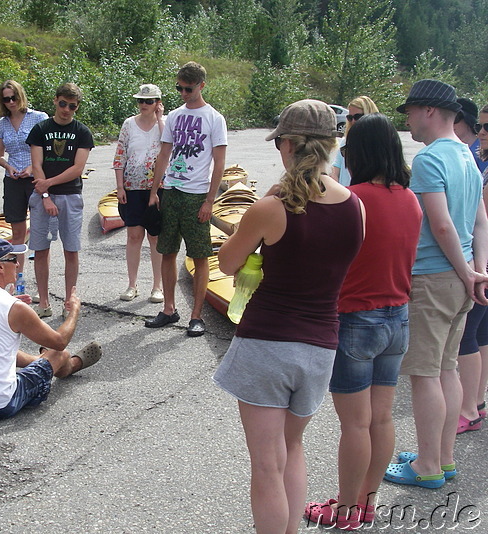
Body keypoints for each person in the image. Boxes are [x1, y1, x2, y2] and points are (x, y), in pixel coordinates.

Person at [212, 99, 364, 534]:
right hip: (321, 346)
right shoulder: (355, 206)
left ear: (291, 144)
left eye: (279, 141)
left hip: (267, 342)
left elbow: (225, 263)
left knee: (265, 465)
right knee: (292, 448)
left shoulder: (271, 207)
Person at [304, 114, 422, 530]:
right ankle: (367, 504)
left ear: (360, 153)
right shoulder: (410, 199)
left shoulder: (353, 200)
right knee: (382, 418)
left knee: (354, 423)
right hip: (398, 318)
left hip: (356, 318)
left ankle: (345, 510)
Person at [384, 80, 488, 491]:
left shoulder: (429, 160)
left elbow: (441, 224)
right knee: (447, 369)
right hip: (462, 279)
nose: (406, 118)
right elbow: (479, 221)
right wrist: (477, 271)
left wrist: (466, 272)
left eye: (409, 110)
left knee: (424, 375)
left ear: (429, 111)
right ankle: (442, 458)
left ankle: (426, 465)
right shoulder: (467, 154)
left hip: (433, 278)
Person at [0, 238, 102, 420]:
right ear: (0, 267)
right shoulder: (14, 307)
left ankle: (41, 360)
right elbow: (59, 341)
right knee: (59, 354)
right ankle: (70, 364)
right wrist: (74, 310)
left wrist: (9, 300)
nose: (18, 263)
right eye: (13, 259)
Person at [145, 61, 228, 337]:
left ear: (201, 86)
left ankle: (196, 316)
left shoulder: (214, 118)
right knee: (167, 251)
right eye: (178, 87)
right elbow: (164, 155)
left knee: (200, 255)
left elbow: (219, 164)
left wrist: (209, 201)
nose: (182, 93)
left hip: (196, 196)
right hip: (171, 192)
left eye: (187, 88)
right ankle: (169, 310)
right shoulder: (175, 117)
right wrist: (155, 190)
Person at [26, 83, 94, 318]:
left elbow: (77, 168)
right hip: (42, 196)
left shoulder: (82, 132)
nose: (66, 109)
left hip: (70, 196)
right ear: (55, 101)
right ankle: (43, 301)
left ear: (77, 107)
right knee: (41, 249)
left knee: (71, 250)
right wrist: (45, 195)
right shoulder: (40, 129)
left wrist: (49, 184)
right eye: (63, 103)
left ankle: (69, 301)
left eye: (72, 106)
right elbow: (37, 165)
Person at [112, 84, 165, 304]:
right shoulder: (128, 124)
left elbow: (169, 146)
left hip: (158, 188)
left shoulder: (165, 123)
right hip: (132, 187)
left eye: (149, 101)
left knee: (155, 237)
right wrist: (120, 187)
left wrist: (161, 119)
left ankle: (157, 286)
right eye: (141, 101)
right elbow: (120, 156)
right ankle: (132, 284)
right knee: (134, 236)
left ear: (157, 103)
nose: (144, 105)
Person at [0, 80, 49, 280]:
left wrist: (32, 168)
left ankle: (41, 276)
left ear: (20, 96)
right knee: (17, 230)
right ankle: (17, 276)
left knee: (39, 229)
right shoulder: (0, 124)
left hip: (35, 177)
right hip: (14, 178)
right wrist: (9, 167)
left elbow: (45, 149)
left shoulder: (38, 117)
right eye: (6, 99)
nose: (11, 102)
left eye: (13, 97)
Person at [456, 102, 488, 433]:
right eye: (480, 125)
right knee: (481, 333)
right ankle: (476, 402)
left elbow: (481, 218)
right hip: (484, 259)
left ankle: (468, 409)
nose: (481, 132)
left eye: (487, 128)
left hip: (482, 260)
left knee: (468, 334)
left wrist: (476, 268)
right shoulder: (480, 163)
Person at [330, 95, 379, 186]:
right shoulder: (345, 142)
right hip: (346, 195)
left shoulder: (379, 143)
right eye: (350, 118)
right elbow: (335, 170)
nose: (353, 121)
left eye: (357, 117)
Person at [454, 97, 488, 174]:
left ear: (468, 120)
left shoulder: (481, 155)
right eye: (479, 127)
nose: (481, 132)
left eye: (455, 118)